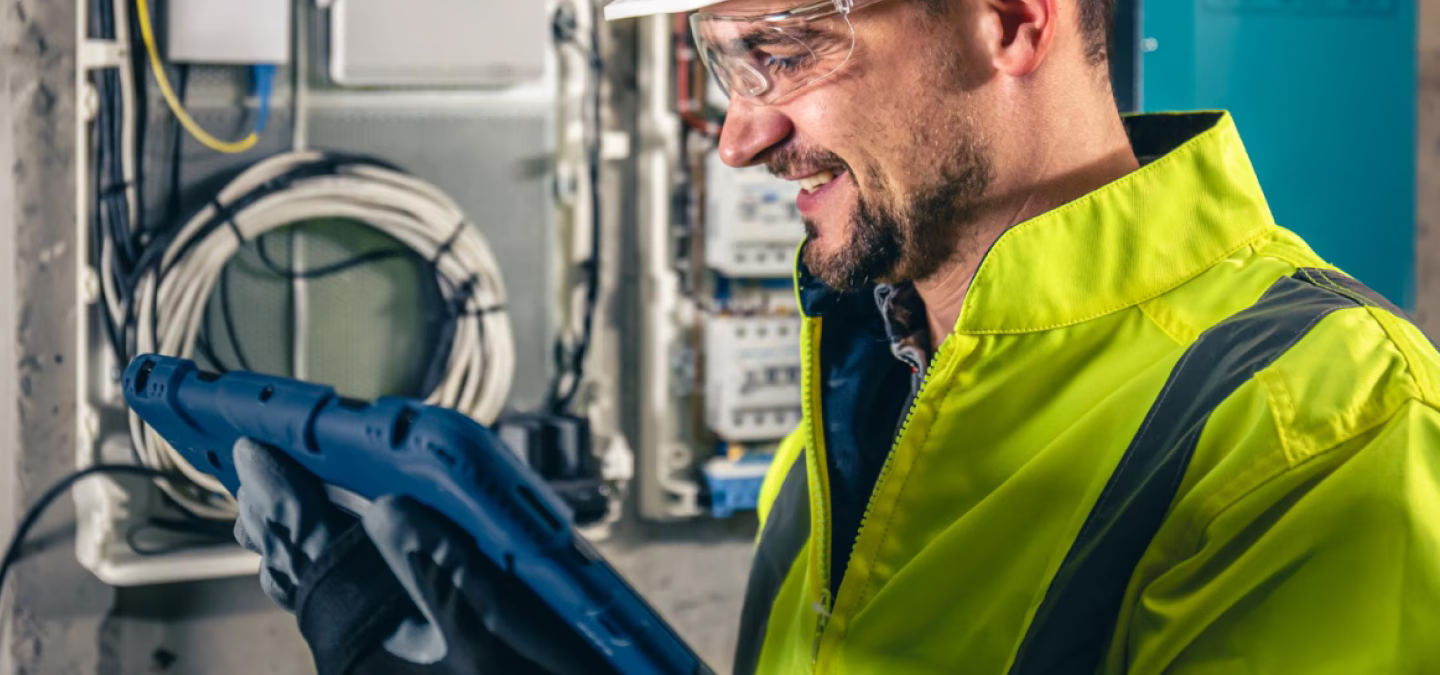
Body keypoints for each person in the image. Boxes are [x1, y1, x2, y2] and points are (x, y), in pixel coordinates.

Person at [234, 0, 1440, 673]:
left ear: (1012, 20)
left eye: (785, 49)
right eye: (724, 60)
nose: (739, 140)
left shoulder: (1323, 426)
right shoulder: (872, 369)